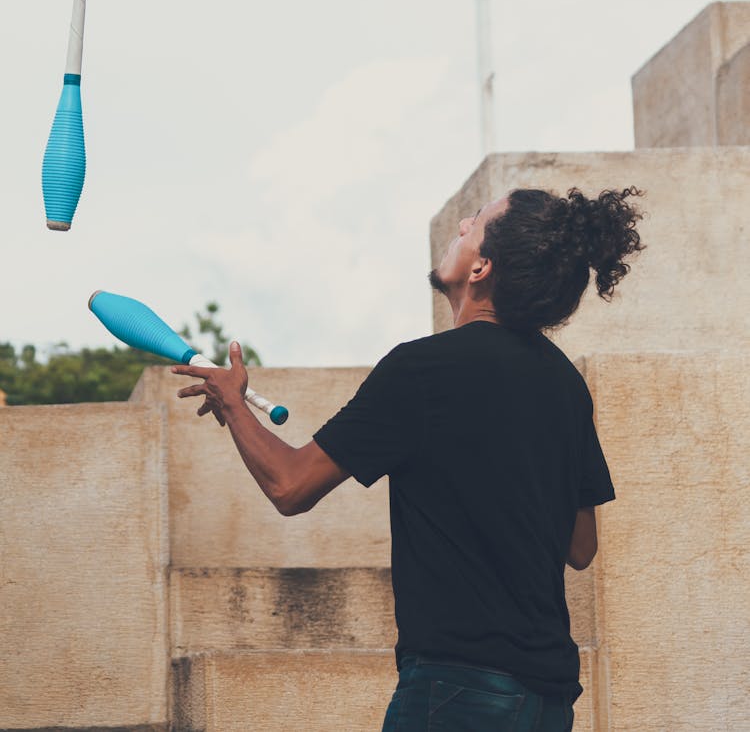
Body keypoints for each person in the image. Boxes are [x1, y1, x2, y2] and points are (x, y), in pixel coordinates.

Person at [171, 185, 644, 731]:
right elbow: (580, 546)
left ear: (481, 268)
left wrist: (234, 404)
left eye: (478, 223)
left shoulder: (422, 369)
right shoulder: (566, 384)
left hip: (457, 692)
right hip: (547, 701)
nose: (463, 224)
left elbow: (290, 484)